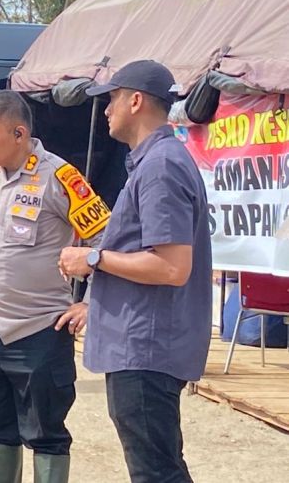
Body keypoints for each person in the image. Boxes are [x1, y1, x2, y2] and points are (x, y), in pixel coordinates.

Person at [59, 60, 212, 483]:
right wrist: (98, 303)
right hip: (144, 340)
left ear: (136, 100)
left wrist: (92, 260)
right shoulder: (155, 161)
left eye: (111, 99)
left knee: (156, 472)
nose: (106, 110)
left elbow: (172, 266)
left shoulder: (161, 165)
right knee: (158, 466)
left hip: (148, 347)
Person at [0, 89, 109, 483]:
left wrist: (92, 303)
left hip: (37, 330)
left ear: (19, 134)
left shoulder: (61, 177)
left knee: (46, 436)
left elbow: (105, 240)